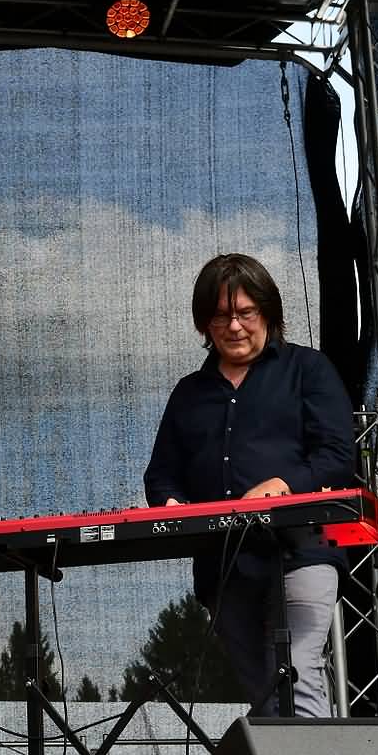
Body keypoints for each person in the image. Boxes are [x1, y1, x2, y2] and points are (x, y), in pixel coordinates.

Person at [144, 253, 355, 717]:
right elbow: (160, 474)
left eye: (245, 312)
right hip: (224, 566)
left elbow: (339, 457)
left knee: (295, 674)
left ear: (268, 313)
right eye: (221, 316)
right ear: (205, 323)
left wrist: (284, 484)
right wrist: (170, 503)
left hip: (302, 551)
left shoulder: (308, 369)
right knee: (262, 693)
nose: (234, 326)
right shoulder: (189, 393)